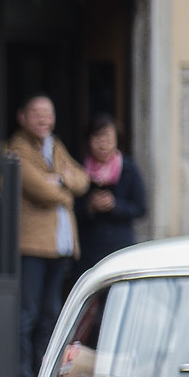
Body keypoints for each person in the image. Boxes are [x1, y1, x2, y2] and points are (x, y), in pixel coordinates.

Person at [5, 95, 90, 377]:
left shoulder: (55, 146)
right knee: (28, 312)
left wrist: (62, 180)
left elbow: (82, 179)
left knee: (52, 312)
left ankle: (46, 370)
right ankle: (23, 373)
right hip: (33, 245)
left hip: (60, 245)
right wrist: (63, 186)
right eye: (37, 113)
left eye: (48, 114)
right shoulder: (17, 148)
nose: (43, 119)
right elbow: (40, 189)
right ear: (22, 117)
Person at [74, 113, 146, 273]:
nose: (103, 144)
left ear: (117, 141)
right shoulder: (78, 169)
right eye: (97, 138)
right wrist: (90, 206)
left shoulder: (128, 168)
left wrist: (114, 205)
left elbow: (141, 208)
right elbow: (70, 207)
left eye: (108, 139)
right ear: (88, 141)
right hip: (88, 249)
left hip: (119, 248)